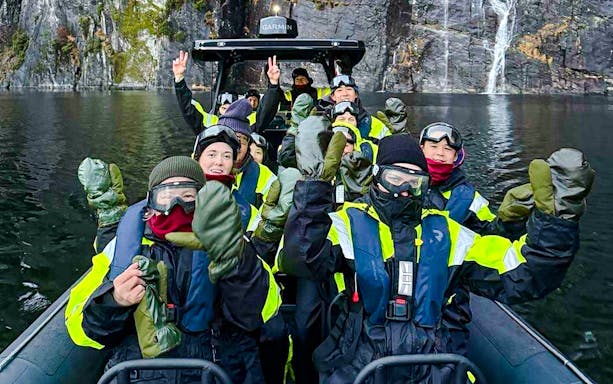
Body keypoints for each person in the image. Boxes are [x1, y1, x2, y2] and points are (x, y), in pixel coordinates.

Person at [279, 131, 594, 382]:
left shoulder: (449, 233)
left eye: (415, 181)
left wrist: (557, 223)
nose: (404, 190)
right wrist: (313, 190)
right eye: (394, 178)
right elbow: (300, 258)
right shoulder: (348, 223)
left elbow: (524, 274)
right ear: (377, 177)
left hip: (434, 368)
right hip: (357, 363)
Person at [67, 156, 282, 384]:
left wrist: (239, 259)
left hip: (212, 364)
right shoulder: (124, 247)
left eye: (188, 196)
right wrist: (114, 300)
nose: (176, 205)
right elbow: (80, 330)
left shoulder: (226, 241)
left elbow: (266, 310)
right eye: (166, 196)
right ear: (151, 202)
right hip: (140, 370)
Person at [217, 99, 277, 208]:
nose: (236, 144)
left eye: (241, 139)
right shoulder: (196, 170)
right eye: (230, 137)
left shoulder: (264, 176)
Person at [173, 50, 238, 134]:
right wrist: (179, 78)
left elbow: (260, 118)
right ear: (219, 104)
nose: (226, 103)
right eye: (223, 99)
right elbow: (187, 107)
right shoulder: (207, 122)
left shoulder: (247, 124)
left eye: (231, 101)